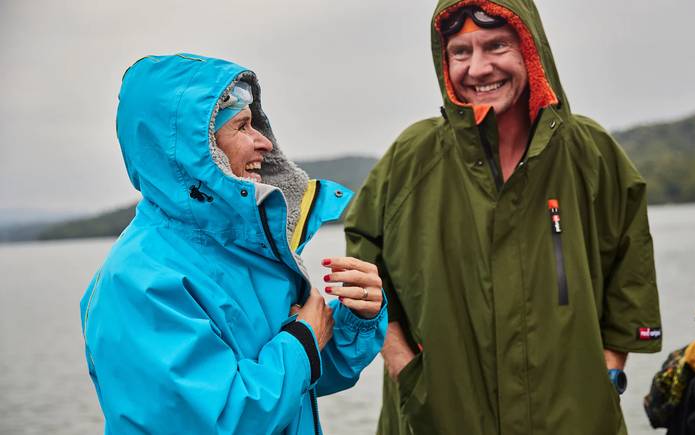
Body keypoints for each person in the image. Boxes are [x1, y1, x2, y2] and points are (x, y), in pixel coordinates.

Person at [345, 1, 662, 434]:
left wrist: (608, 368)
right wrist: (405, 367)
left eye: (496, 46)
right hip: (439, 418)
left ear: (530, 49)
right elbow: (362, 264)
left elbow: (631, 272)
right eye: (461, 52)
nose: (478, 68)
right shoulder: (411, 159)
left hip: (573, 417)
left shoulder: (590, 154)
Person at [80, 53, 387, 435]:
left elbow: (303, 383)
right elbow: (216, 421)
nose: (264, 142)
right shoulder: (138, 281)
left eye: (256, 124)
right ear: (195, 153)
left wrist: (355, 318)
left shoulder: (243, 257)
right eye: (242, 127)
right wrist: (304, 340)